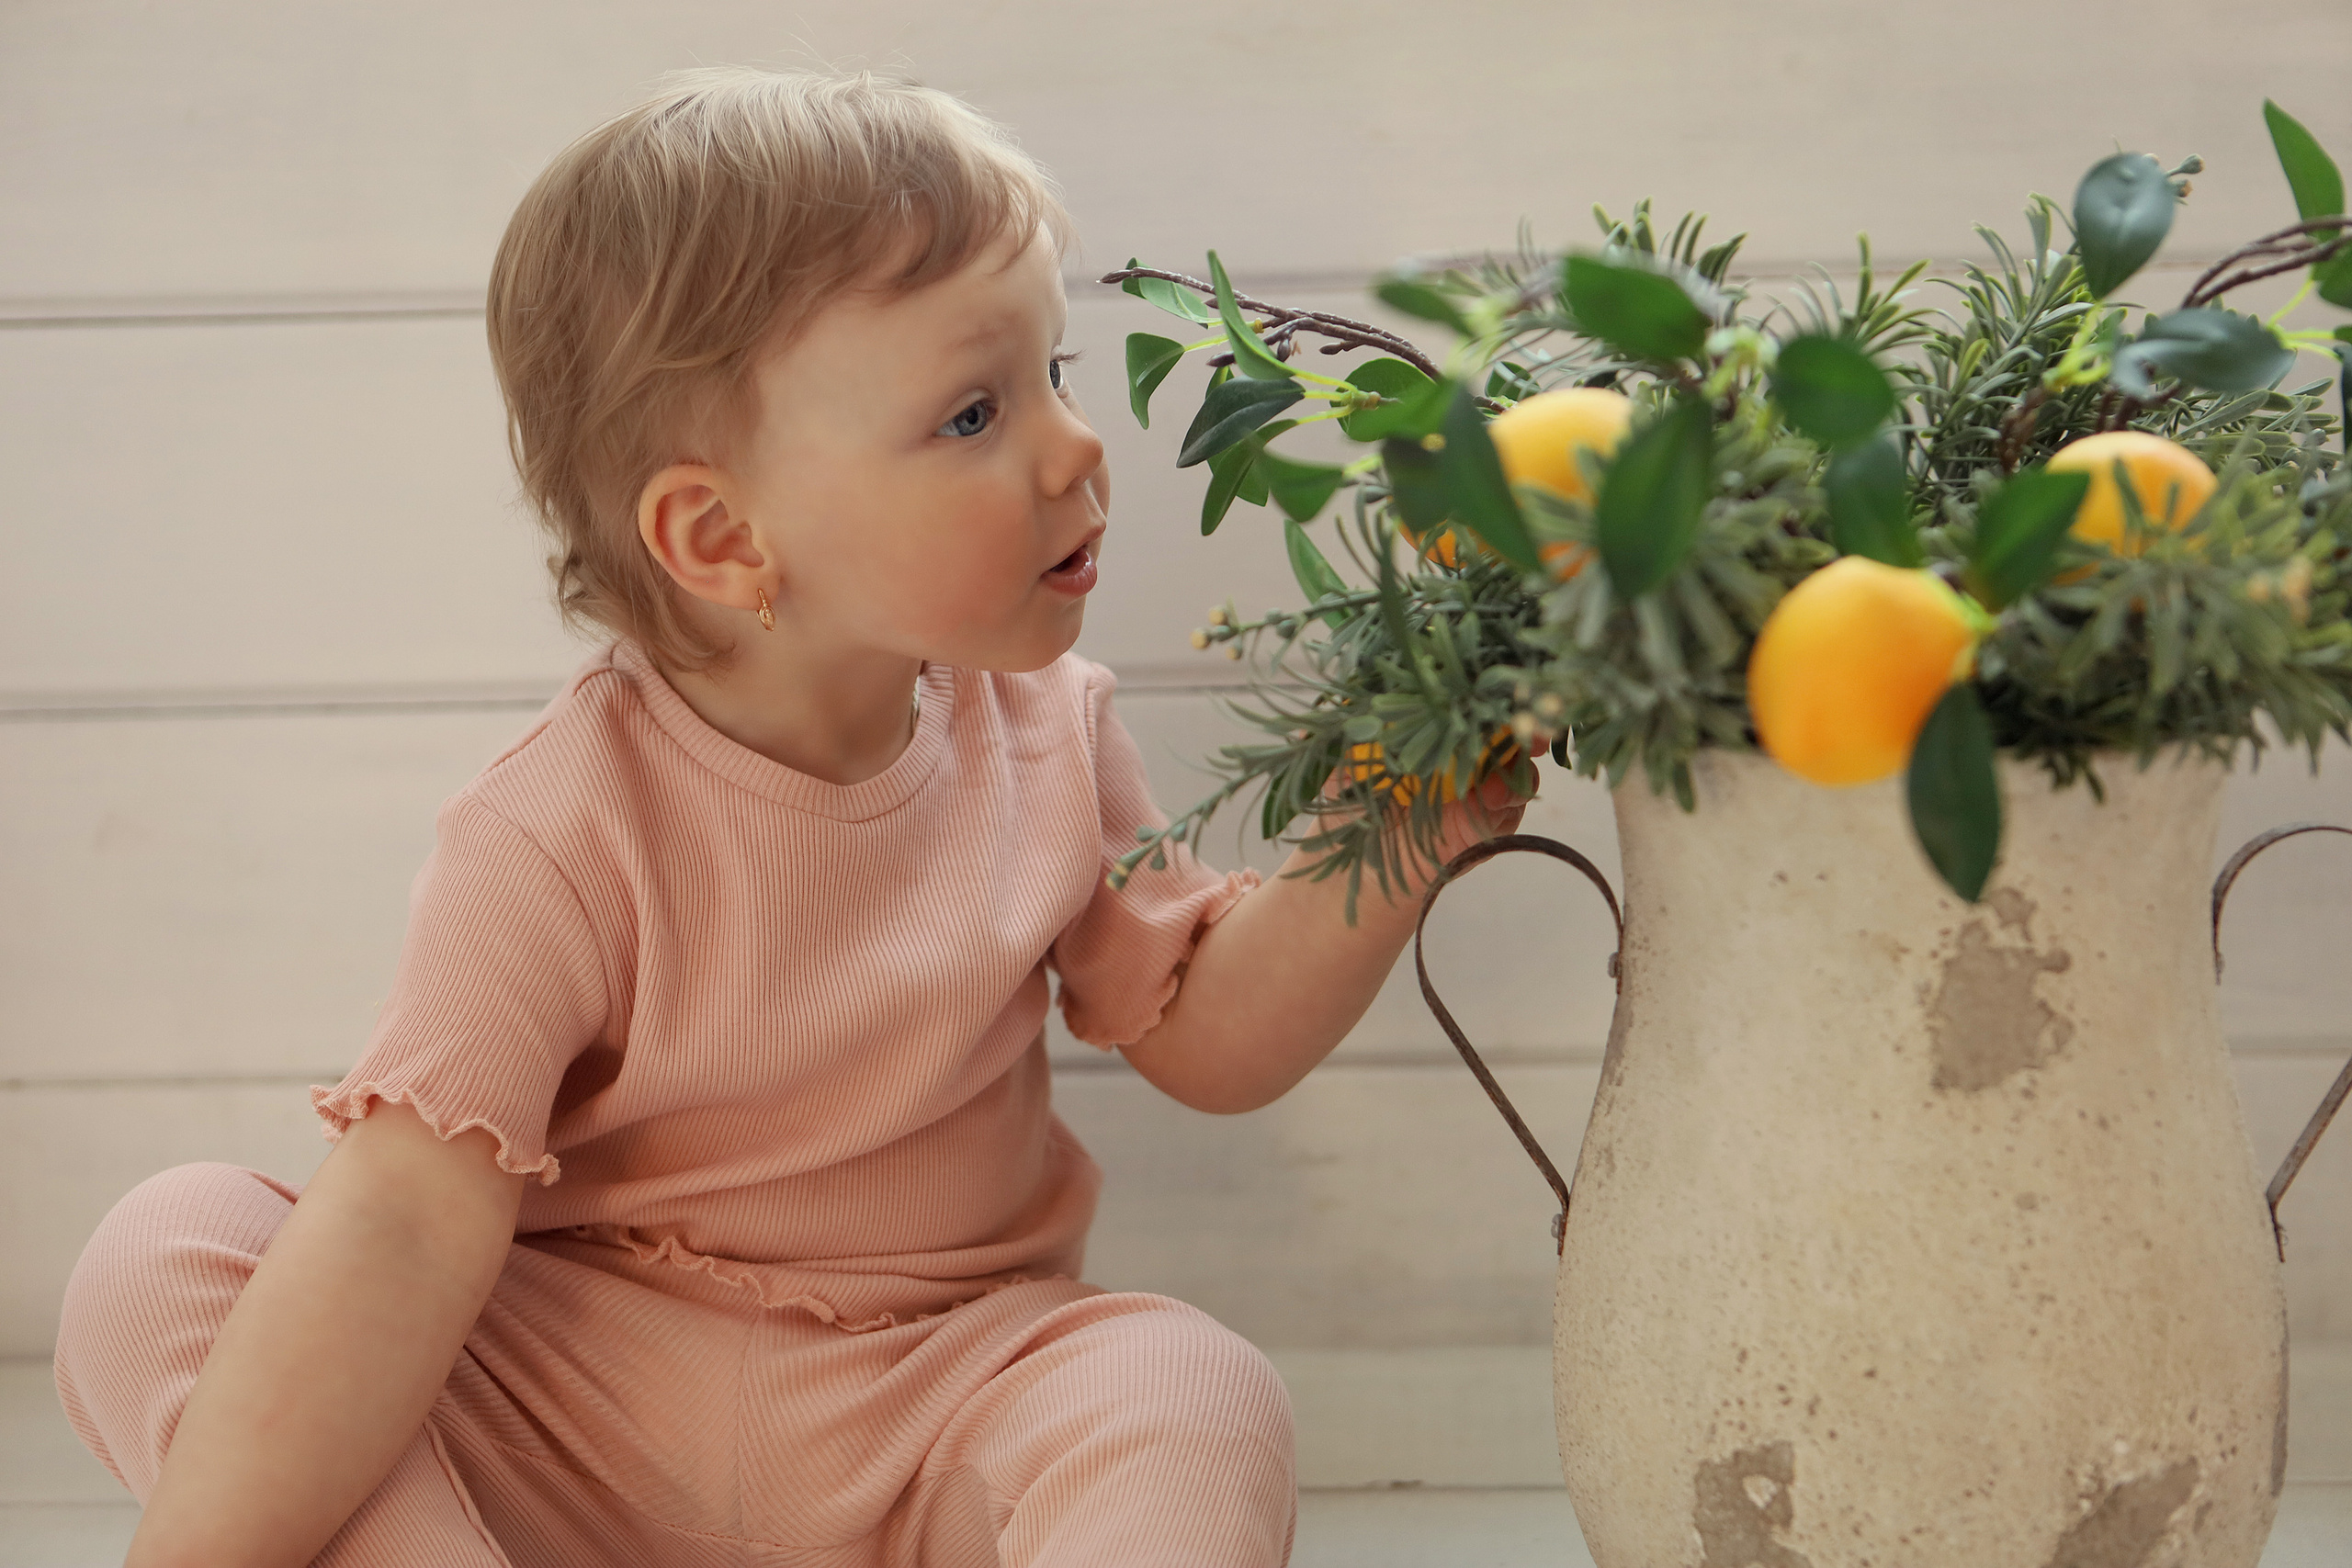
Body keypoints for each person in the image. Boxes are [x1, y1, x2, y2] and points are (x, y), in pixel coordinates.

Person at [52, 65, 1527, 1568]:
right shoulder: (558, 831)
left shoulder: (1049, 730)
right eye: (973, 410)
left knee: (1186, 1392)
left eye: (1054, 373)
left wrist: (1396, 823)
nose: (1077, 445)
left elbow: (1206, 1033)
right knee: (168, 1256)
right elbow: (411, 1226)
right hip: (578, 1404)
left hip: (935, 1396)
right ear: (722, 537)